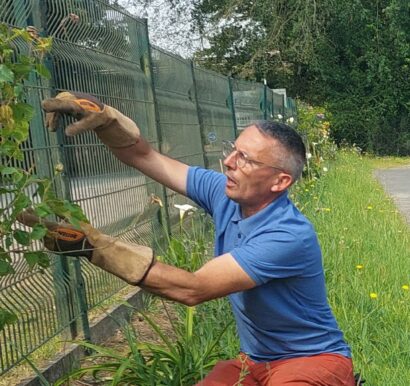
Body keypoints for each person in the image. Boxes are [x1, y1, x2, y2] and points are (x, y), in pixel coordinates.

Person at [21, 92, 356, 385]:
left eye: (245, 159)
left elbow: (192, 289)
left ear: (280, 182)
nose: (228, 162)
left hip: (313, 361)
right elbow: (145, 157)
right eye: (232, 150)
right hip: (254, 362)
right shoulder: (224, 194)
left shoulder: (288, 236)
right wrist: (105, 118)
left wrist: (95, 248)